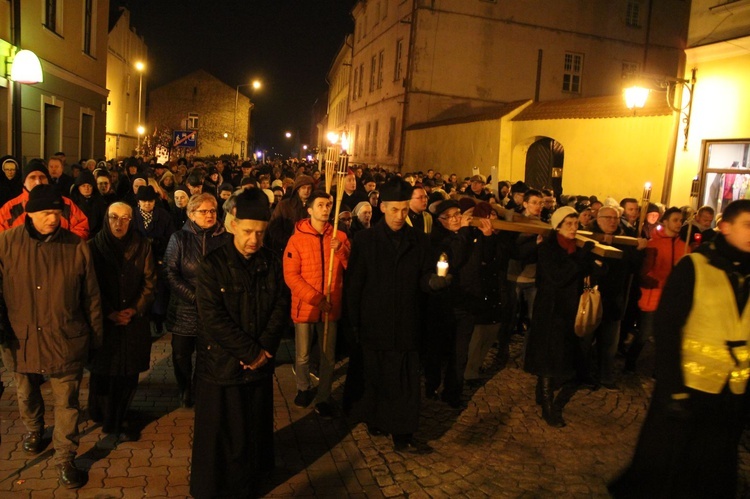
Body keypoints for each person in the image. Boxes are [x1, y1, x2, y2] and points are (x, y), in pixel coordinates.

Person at [609, 199, 750, 499]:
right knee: (669, 468)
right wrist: (673, 387)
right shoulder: (695, 266)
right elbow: (668, 327)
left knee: (714, 468)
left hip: (732, 393)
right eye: (748, 225)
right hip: (689, 386)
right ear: (724, 227)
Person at [0, 184, 103, 489]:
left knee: (67, 403)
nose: (54, 219)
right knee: (25, 393)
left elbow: (92, 297)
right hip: (21, 337)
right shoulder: (6, 244)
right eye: (47, 213)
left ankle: (65, 457)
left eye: (58, 213)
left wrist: (96, 338)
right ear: (30, 213)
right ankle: (34, 429)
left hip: (65, 338)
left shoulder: (76, 246)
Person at [191, 189, 289, 498]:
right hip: (221, 365)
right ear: (233, 225)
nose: (254, 240)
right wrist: (249, 351)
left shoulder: (271, 263)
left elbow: (280, 307)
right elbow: (211, 317)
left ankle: (251, 482)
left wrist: (264, 350)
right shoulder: (212, 264)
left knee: (253, 429)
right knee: (220, 432)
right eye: (248, 231)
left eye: (260, 233)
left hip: (258, 363)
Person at [345, 177, 445, 454]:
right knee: (376, 375)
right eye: (394, 210)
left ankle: (403, 434)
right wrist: (353, 323)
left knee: (405, 380)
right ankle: (376, 419)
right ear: (383, 208)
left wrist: (433, 283)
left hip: (406, 322)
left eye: (404, 210)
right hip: (374, 322)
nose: (400, 216)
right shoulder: (366, 240)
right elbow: (355, 284)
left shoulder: (419, 240)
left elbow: (424, 276)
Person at [524, 207, 598, 427]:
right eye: (569, 224)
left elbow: (586, 274)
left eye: (576, 224)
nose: (574, 228)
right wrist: (580, 258)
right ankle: (548, 407)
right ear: (558, 226)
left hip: (569, 310)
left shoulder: (576, 248)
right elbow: (557, 277)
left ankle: (542, 389)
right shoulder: (547, 249)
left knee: (560, 352)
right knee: (549, 355)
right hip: (550, 310)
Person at [88, 202, 156, 440]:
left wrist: (134, 309)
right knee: (104, 371)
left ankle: (119, 416)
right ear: (106, 219)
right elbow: (90, 286)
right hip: (104, 321)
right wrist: (109, 312)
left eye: (125, 218)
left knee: (129, 371)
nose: (119, 223)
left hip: (133, 321)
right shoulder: (93, 247)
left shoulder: (143, 245)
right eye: (114, 217)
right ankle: (107, 417)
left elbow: (150, 282)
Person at [284, 191, 350, 416]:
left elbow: (352, 266)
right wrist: (316, 299)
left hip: (331, 306)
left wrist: (340, 250)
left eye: (328, 205)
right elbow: (291, 276)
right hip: (306, 305)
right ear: (310, 210)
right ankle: (303, 388)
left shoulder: (340, 236)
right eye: (320, 205)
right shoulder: (297, 239)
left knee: (327, 355)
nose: (325, 209)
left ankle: (323, 396)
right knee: (302, 354)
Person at [164, 193, 231, 408]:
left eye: (212, 210)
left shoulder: (226, 238)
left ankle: (199, 388)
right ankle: (184, 387)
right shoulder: (179, 238)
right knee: (181, 354)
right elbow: (170, 272)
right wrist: (194, 297)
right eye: (203, 211)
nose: (209, 215)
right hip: (185, 309)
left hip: (213, 308)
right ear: (191, 214)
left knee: (206, 354)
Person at [626, 207, 687, 373]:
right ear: (665, 222)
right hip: (653, 296)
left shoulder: (684, 246)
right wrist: (659, 281)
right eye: (675, 220)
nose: (679, 223)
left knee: (666, 336)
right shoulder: (654, 244)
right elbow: (644, 272)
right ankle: (630, 361)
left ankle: (658, 368)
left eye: (681, 220)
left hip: (672, 299)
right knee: (645, 333)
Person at [0, 159, 89, 239]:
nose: (38, 182)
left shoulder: (65, 203)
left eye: (42, 177)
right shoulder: (10, 208)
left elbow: (82, 227)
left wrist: (63, 245)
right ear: (24, 182)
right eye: (32, 177)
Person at [133, 185, 175, 335]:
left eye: (150, 201)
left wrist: (159, 247)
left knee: (158, 289)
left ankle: (158, 318)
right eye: (144, 201)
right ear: (138, 202)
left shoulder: (163, 216)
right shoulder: (132, 215)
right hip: (137, 259)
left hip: (158, 258)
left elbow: (171, 237)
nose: (147, 204)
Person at [265, 174, 314, 256]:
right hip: (285, 248)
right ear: (298, 189)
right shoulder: (284, 205)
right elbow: (274, 227)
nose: (306, 191)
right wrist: (289, 240)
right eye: (303, 188)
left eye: (309, 188)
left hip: (308, 249)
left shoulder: (315, 205)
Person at [69, 170, 107, 235]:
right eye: (83, 186)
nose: (86, 188)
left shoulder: (99, 201)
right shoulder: (72, 202)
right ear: (78, 187)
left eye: (89, 186)